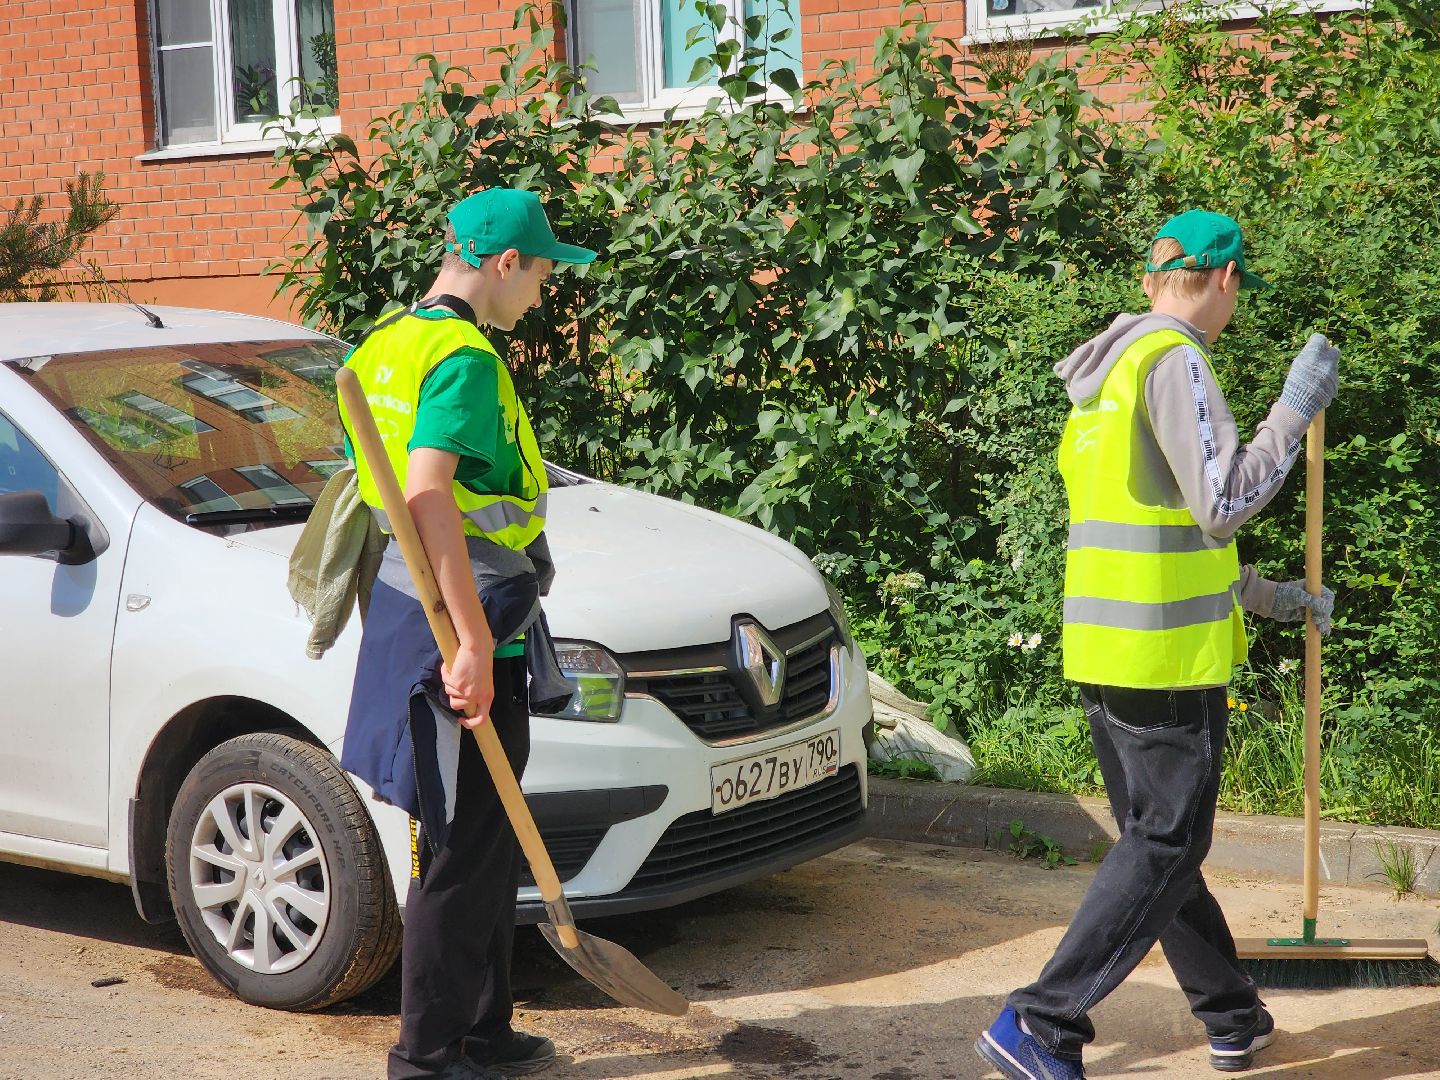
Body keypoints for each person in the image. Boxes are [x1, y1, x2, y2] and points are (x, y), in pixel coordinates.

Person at [976, 210, 1340, 1080]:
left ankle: (1232, 1016)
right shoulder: (1176, 360)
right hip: (1166, 663)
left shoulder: (1112, 371)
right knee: (1167, 845)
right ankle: (1040, 1021)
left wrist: (1269, 597)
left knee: (1161, 844)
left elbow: (1167, 526)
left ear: (1152, 279)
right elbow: (1221, 503)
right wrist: (1290, 415)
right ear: (1225, 279)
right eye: (1241, 284)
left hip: (1109, 649)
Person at [337, 187, 595, 1080]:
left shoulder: (386, 344)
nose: (547, 290)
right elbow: (424, 491)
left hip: (416, 611)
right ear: (503, 263)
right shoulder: (465, 358)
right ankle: (427, 1056)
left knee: (479, 841)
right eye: (544, 271)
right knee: (460, 848)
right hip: (463, 620)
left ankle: (484, 1031)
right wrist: (475, 643)